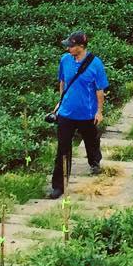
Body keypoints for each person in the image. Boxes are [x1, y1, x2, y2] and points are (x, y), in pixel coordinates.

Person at [49, 30, 108, 199]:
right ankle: (59, 185)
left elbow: (99, 90)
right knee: (63, 148)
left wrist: (99, 111)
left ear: (81, 47)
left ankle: (94, 161)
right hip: (66, 113)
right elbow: (63, 81)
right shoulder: (65, 60)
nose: (68, 48)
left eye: (71, 46)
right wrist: (60, 101)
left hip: (87, 113)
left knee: (91, 140)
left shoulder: (95, 64)